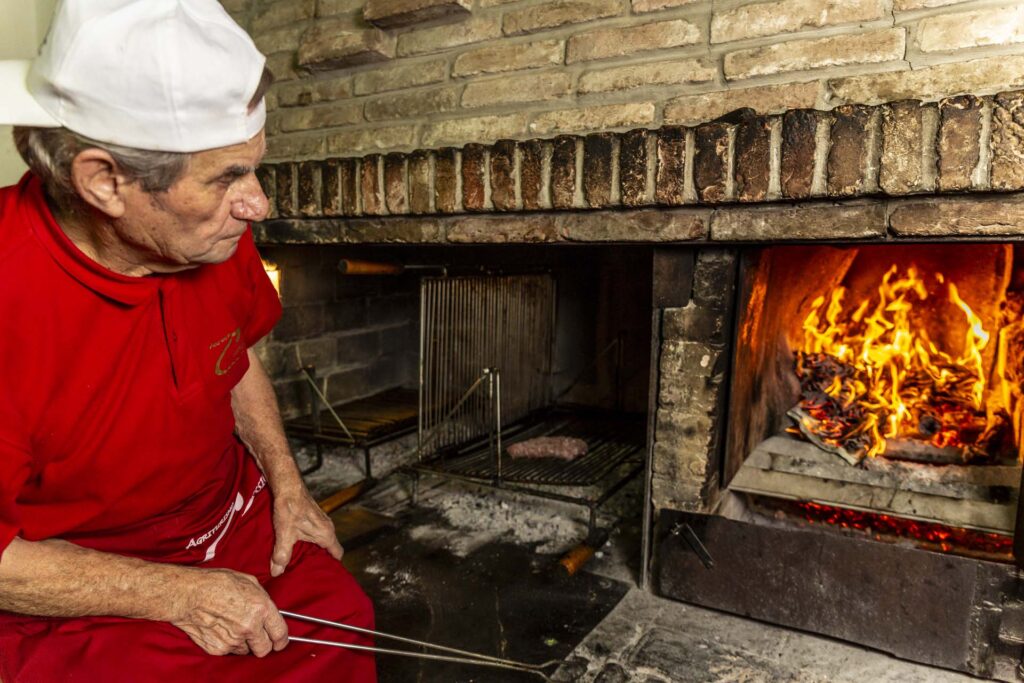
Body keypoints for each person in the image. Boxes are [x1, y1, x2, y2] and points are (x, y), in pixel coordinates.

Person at [0, 1, 376, 680]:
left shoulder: (204, 232)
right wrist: (175, 593)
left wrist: (287, 485)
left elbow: (233, 359)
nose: (257, 203)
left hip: (226, 521)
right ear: (104, 180)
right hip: (81, 580)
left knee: (341, 627)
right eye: (227, 177)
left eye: (251, 168)